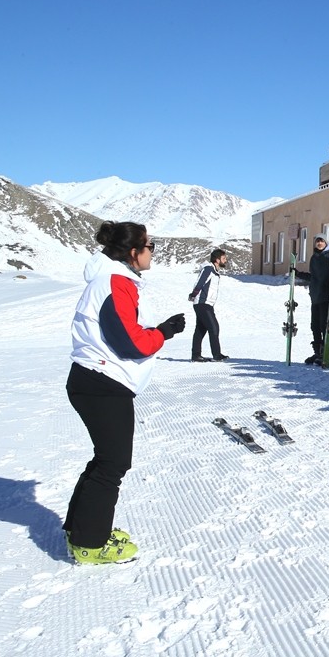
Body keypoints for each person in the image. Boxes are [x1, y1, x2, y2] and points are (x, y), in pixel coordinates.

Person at [64, 221, 186, 564]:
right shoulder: (114, 282)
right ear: (134, 253)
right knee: (113, 464)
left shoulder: (115, 280)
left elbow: (124, 330)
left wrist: (158, 331)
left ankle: (81, 530)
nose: (152, 253)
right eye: (150, 247)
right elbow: (132, 343)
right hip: (102, 383)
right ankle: (90, 543)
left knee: (105, 460)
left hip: (99, 380)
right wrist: (163, 332)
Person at [189, 248, 229, 362]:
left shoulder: (214, 271)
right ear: (217, 260)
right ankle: (216, 355)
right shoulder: (208, 269)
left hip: (206, 304)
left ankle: (196, 355)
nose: (225, 260)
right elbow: (200, 283)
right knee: (213, 327)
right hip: (202, 303)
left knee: (201, 329)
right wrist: (193, 294)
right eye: (223, 258)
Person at [305, 236, 329, 365]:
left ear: (326, 243)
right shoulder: (314, 257)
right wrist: (298, 273)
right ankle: (317, 351)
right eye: (317, 241)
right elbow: (313, 276)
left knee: (323, 325)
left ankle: (324, 352)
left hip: (325, 296)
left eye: (322, 241)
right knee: (314, 325)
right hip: (315, 296)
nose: (320, 243)